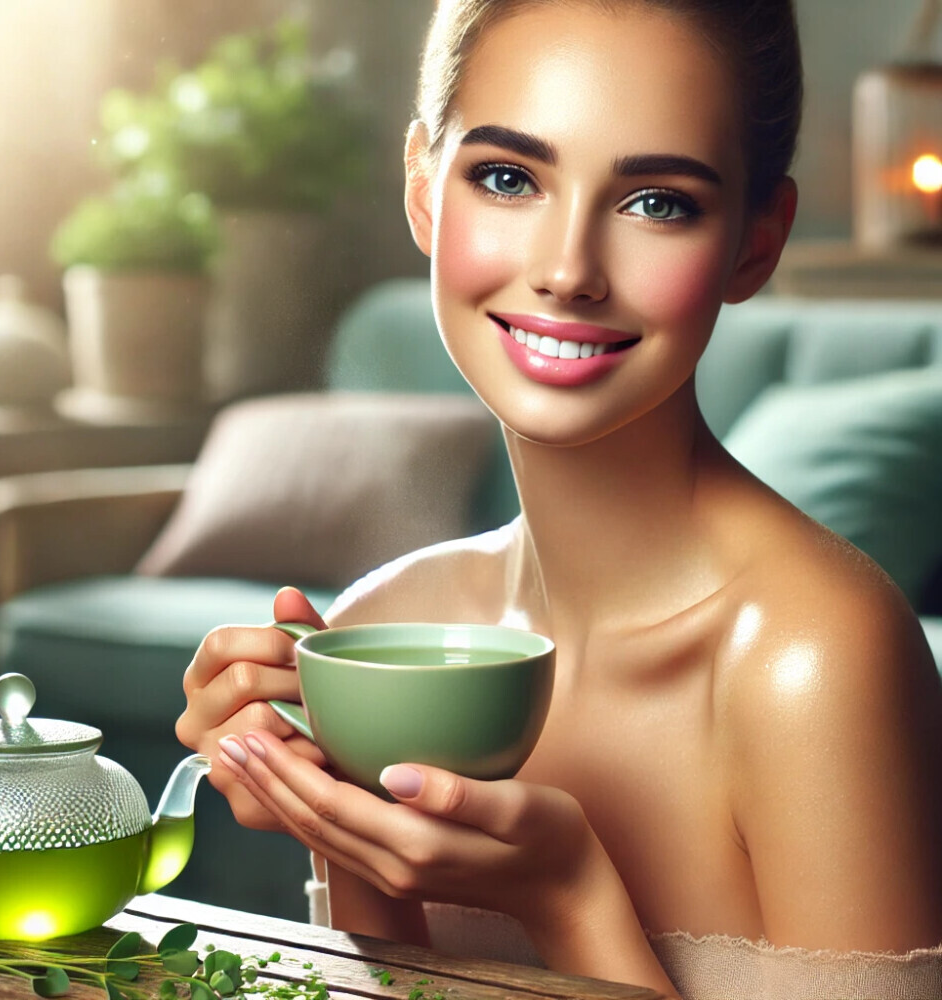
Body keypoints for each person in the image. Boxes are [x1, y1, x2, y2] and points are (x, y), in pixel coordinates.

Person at [176, 1, 942, 996]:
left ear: (756, 242)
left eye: (658, 201)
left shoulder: (814, 659)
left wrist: (570, 896)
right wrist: (341, 824)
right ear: (423, 188)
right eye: (506, 178)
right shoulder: (386, 627)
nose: (569, 270)